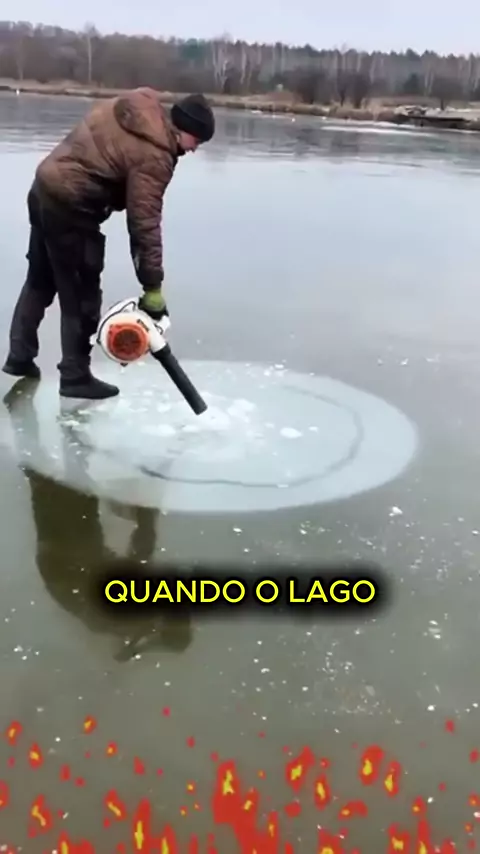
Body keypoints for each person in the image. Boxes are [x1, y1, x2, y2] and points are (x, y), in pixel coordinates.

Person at [2, 89, 215, 400]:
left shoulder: (135, 108)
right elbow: (144, 223)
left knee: (41, 279)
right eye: (197, 141)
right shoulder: (155, 155)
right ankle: (75, 376)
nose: (195, 149)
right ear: (184, 129)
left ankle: (20, 355)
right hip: (73, 205)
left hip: (44, 188)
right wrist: (152, 286)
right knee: (81, 296)